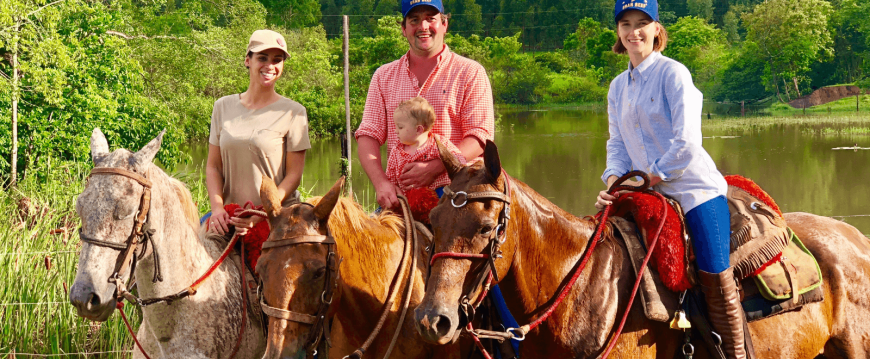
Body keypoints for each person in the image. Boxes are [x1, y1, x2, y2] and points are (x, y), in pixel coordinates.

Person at [594, 1, 751, 358]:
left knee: (714, 271)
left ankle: (736, 353)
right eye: (626, 24)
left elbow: (686, 143)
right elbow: (616, 143)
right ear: (618, 32)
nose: (634, 31)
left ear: (656, 30)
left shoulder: (673, 74)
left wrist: (652, 176)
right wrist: (614, 182)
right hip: (643, 190)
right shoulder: (617, 87)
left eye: (642, 23)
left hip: (693, 190)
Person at [355, 0, 495, 210]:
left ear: (444, 24)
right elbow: (368, 135)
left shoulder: (470, 73)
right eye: (414, 20)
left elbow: (480, 135)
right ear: (404, 29)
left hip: (459, 194)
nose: (423, 27)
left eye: (431, 18)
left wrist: (438, 166)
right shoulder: (383, 76)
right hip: (401, 198)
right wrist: (381, 183)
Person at [205, 29, 310, 236]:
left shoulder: (294, 112)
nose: (270, 66)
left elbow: (293, 176)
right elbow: (214, 167)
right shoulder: (222, 106)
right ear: (247, 61)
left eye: (277, 60)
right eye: (262, 58)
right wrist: (217, 209)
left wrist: (263, 212)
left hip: (278, 219)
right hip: (229, 217)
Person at [387, 97, 466, 195]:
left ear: (418, 130)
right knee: (384, 208)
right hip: (407, 196)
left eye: (400, 127)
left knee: (448, 196)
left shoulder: (438, 144)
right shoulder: (397, 150)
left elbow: (459, 159)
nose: (396, 131)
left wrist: (441, 164)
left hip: (438, 192)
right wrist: (394, 192)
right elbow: (390, 177)